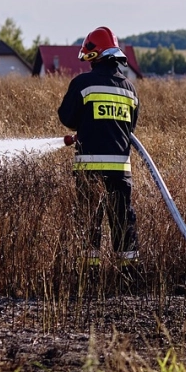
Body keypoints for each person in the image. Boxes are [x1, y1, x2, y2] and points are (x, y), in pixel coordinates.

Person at [57, 26, 140, 268]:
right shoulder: (130, 90)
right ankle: (129, 273)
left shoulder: (83, 84)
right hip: (120, 171)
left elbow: (67, 118)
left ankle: (88, 273)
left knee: (88, 221)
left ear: (95, 55)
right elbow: (131, 127)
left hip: (89, 168)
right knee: (123, 221)